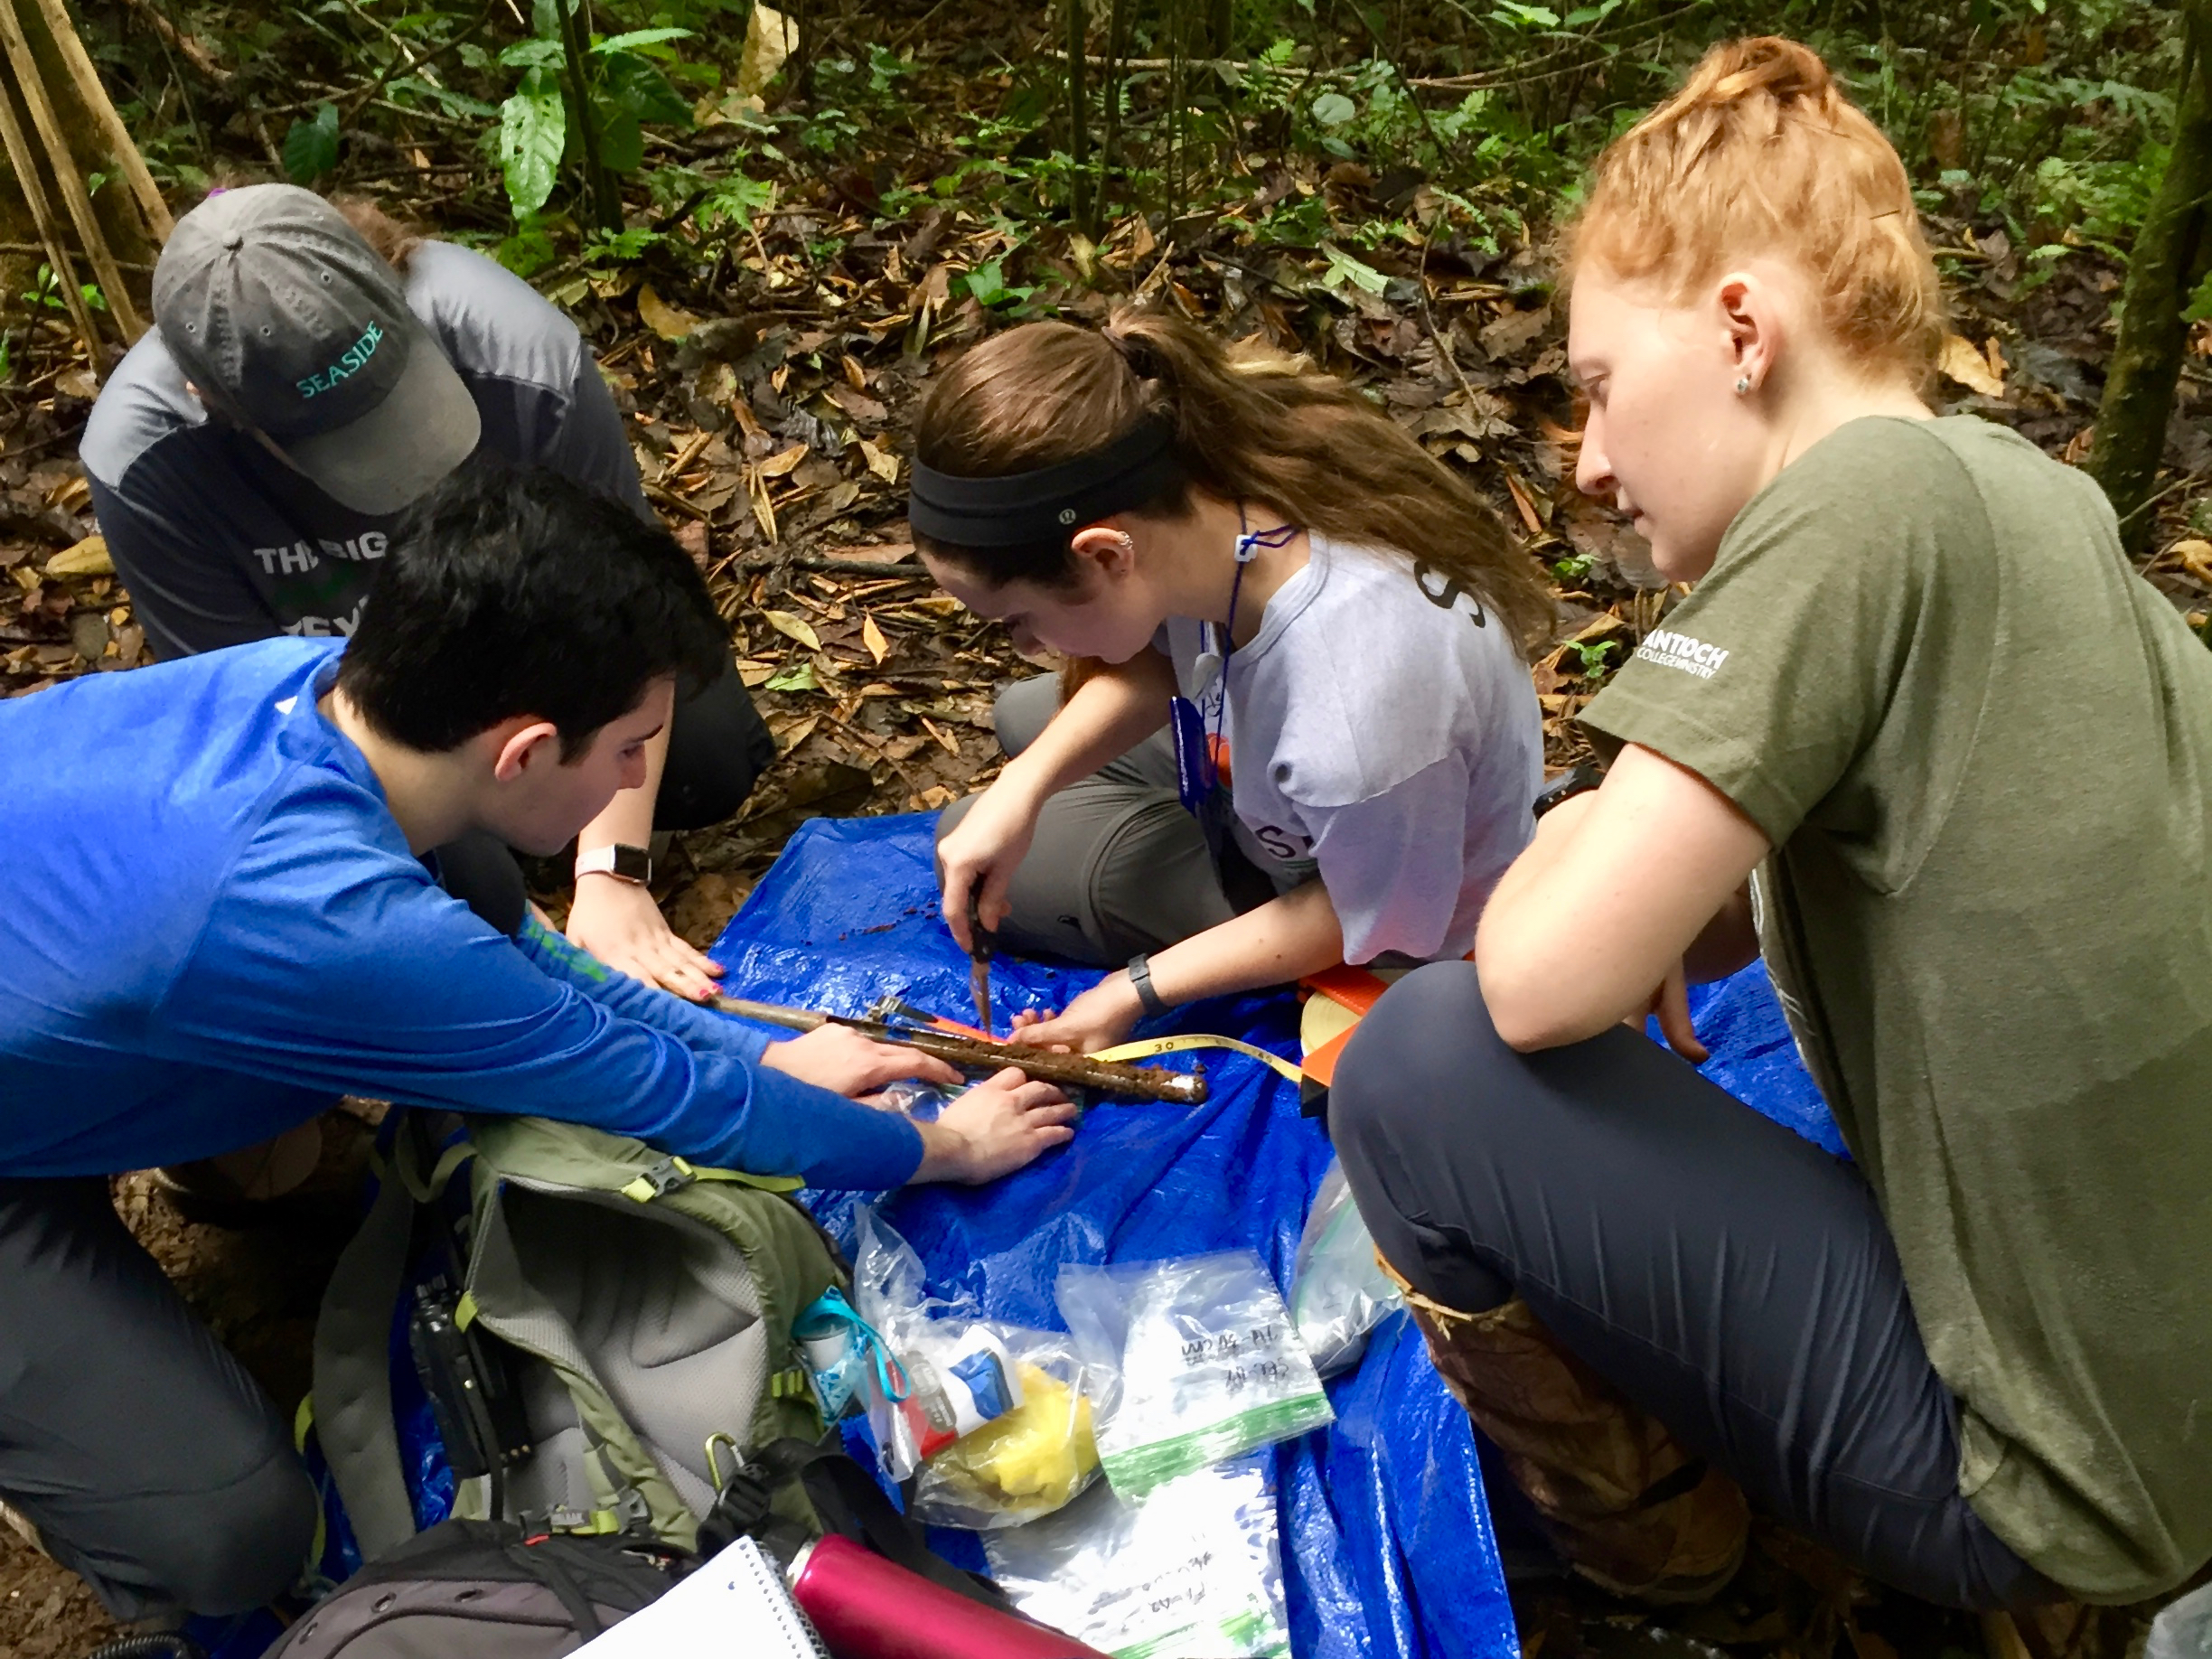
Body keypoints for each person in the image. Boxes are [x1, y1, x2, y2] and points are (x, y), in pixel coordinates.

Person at [1327, 36, 2212, 1615]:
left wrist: (1579, 846)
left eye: (1599, 385)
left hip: (2048, 1484)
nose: (1586, 457)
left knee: (1422, 1063)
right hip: (2176, 1397)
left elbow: (1534, 980)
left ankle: (1675, 1569)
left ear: (1741, 328)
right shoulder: (2024, 494)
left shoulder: (1857, 495)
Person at [0, 462, 1073, 1625]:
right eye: (625, 753)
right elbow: (657, 1095)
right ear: (522, 752)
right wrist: (940, 1150)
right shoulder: (332, 924)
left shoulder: (313, 689)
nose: (631, 785)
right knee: (231, 1537)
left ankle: (178, 1143)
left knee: (459, 871)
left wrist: (760, 1052)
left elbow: (532, 960)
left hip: (62, 983)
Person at [80, 182, 770, 999]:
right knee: (468, 889)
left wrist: (612, 872)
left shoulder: (522, 357)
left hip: (545, 670)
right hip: (377, 721)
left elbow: (633, 617)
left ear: (391, 287)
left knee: (707, 753)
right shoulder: (145, 462)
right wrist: (487, 917)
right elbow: (266, 728)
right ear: (207, 400)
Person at [914, 311, 1552, 1051]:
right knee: (1023, 730)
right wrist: (1023, 788)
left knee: (967, 837)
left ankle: (1199, 880)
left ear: (1103, 555)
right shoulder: (1213, 486)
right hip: (1293, 782)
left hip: (1375, 908)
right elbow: (1168, 653)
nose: (1026, 643)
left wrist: (1136, 988)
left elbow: (1366, 920)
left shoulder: (1353, 719)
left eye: (1017, 619)